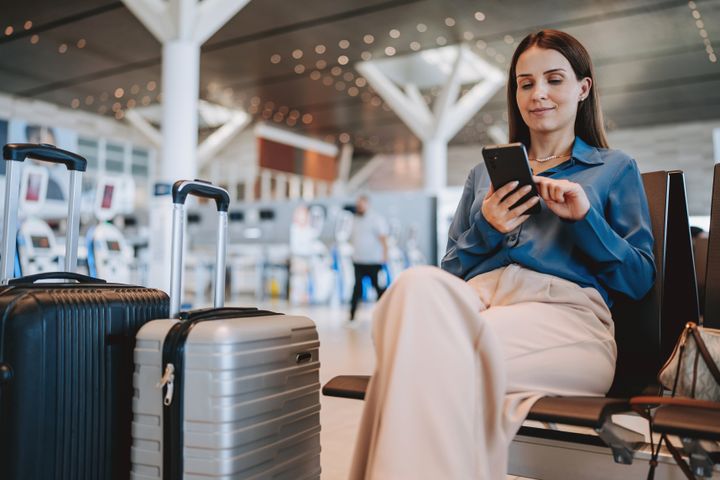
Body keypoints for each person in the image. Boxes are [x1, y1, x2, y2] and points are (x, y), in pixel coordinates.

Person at [349, 29, 655, 479]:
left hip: (565, 319)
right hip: (480, 304)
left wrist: (585, 220)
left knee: (416, 365)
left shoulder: (613, 168)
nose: (539, 94)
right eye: (526, 83)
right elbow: (449, 274)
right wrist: (488, 228)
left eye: (554, 79)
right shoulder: (482, 175)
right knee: (415, 284)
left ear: (583, 89)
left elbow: (639, 279)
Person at [349, 194, 389, 320]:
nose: (359, 207)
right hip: (358, 261)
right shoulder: (355, 219)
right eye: (358, 204)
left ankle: (386, 314)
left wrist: (385, 255)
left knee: (378, 289)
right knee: (357, 289)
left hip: (373, 261)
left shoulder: (376, 219)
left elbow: (383, 239)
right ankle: (352, 317)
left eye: (361, 204)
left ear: (367, 204)